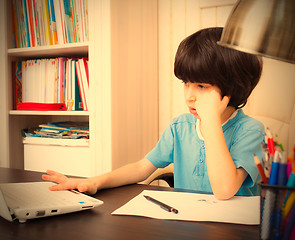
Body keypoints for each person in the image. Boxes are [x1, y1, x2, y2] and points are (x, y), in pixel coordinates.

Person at [42, 27, 265, 200]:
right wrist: (95, 182)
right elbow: (142, 167)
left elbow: (225, 189)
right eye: (186, 83)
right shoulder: (180, 127)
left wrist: (211, 122)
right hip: (186, 223)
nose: (189, 96)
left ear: (232, 88)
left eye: (202, 86)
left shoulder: (251, 131)